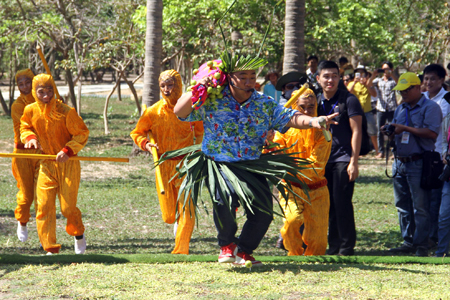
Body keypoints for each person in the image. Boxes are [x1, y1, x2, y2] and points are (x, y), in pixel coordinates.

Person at [173, 57, 338, 266]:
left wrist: (315, 121)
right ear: (229, 78)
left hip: (252, 163)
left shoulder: (263, 103)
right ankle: (227, 245)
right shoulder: (212, 100)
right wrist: (199, 87)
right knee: (224, 202)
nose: (249, 81)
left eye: (252, 76)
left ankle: (243, 251)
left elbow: (289, 117)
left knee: (263, 213)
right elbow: (180, 112)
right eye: (243, 77)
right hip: (220, 163)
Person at [130, 70, 204, 254]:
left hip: (187, 165)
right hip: (163, 165)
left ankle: (181, 250)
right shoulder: (153, 112)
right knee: (169, 216)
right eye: (163, 85)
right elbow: (137, 132)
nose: (166, 89)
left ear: (178, 85)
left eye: (170, 85)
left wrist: (201, 150)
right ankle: (176, 224)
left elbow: (202, 131)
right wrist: (145, 144)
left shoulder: (191, 110)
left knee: (187, 210)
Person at [20, 74, 89, 254]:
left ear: (54, 89)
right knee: (43, 206)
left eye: (49, 90)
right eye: (41, 92)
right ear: (34, 92)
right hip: (46, 163)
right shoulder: (30, 110)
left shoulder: (66, 111)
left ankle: (78, 233)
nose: (46, 95)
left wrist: (68, 150)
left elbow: (81, 133)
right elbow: (25, 126)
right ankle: (50, 247)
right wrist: (30, 138)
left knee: (67, 208)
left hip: (68, 164)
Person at [385, 72, 442, 257]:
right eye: (401, 90)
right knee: (402, 205)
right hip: (399, 162)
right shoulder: (400, 108)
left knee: (420, 206)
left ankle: (422, 245)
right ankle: (408, 241)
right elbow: (397, 130)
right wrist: (390, 131)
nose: (403, 93)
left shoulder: (430, 107)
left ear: (418, 87)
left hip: (419, 163)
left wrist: (405, 129)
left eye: (406, 89)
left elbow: (432, 133)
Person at [269, 88, 331, 256]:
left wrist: (286, 162)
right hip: (291, 187)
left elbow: (315, 166)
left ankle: (315, 265)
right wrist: (267, 141)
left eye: (311, 106)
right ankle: (294, 254)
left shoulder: (323, 133)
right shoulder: (284, 131)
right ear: (294, 107)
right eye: (302, 106)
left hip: (317, 190)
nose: (306, 111)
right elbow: (273, 155)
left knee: (318, 241)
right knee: (291, 221)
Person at [316, 60, 363, 256]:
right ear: (318, 79)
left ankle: (346, 247)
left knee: (342, 202)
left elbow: (357, 131)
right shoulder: (315, 100)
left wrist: (354, 161)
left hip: (343, 158)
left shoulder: (349, 100)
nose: (331, 80)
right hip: (321, 160)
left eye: (334, 76)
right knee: (328, 205)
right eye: (326, 76)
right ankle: (333, 246)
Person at [11, 69, 41, 242]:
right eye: (20, 84)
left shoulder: (45, 99)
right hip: (23, 154)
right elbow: (27, 126)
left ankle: (43, 231)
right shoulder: (17, 106)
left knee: (42, 194)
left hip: (43, 154)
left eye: (27, 82)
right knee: (26, 194)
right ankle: (22, 221)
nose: (24, 87)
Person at [422, 64, 450, 248]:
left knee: (436, 200)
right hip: (422, 155)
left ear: (441, 80)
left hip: (440, 156)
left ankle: (435, 239)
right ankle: (426, 237)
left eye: (433, 79)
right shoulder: (422, 98)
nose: (429, 82)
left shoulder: (446, 101)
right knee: (424, 200)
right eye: (426, 79)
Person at [368, 61, 398, 159]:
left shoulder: (393, 80)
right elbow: (368, 84)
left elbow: (399, 83)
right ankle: (381, 152)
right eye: (383, 69)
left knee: (392, 131)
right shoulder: (378, 80)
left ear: (391, 69)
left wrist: (392, 74)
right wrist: (374, 74)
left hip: (392, 108)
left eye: (387, 69)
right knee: (380, 131)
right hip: (380, 108)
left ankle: (394, 152)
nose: (385, 71)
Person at [347, 65, 379, 154]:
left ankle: (377, 151)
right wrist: (354, 82)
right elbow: (348, 92)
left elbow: (374, 94)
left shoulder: (368, 84)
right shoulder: (351, 83)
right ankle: (354, 151)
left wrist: (367, 84)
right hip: (356, 113)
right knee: (355, 131)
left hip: (367, 111)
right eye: (358, 73)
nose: (360, 75)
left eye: (362, 73)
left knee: (372, 132)